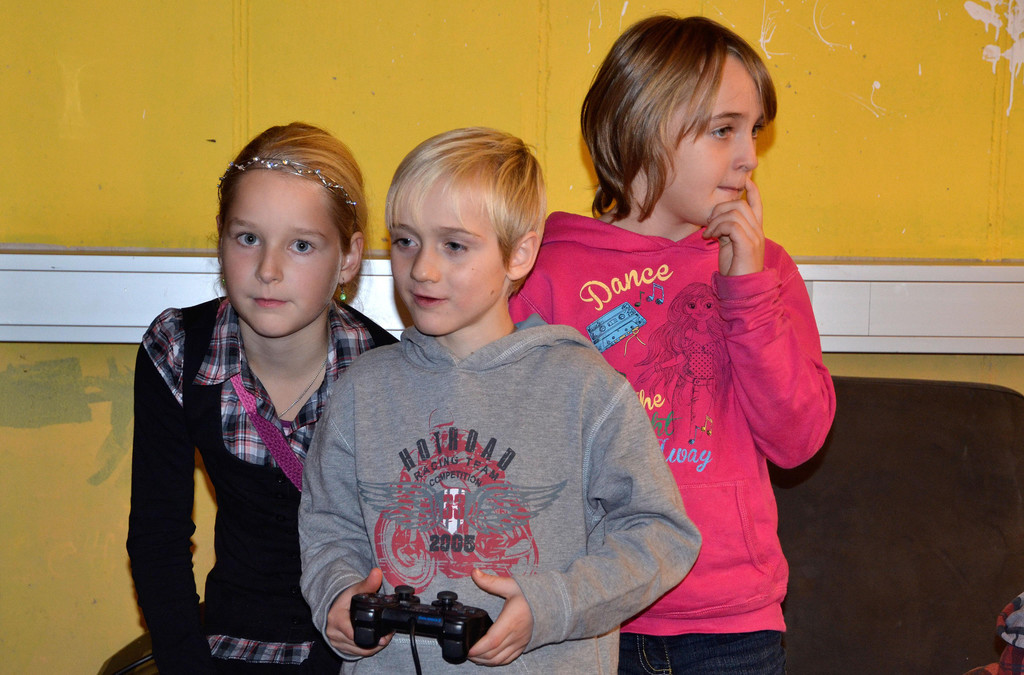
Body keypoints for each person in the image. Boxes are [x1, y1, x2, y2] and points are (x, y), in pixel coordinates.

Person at [298, 127, 702, 673]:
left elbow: (661, 535)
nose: (422, 268)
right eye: (405, 240)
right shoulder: (359, 390)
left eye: (454, 245)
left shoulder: (587, 389)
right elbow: (328, 525)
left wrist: (551, 606)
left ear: (520, 254)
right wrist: (337, 595)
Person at [508, 15, 837, 674]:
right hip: (588, 617)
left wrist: (747, 292)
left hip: (730, 627)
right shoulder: (547, 272)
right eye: (723, 130)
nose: (749, 156)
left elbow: (798, 438)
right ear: (642, 127)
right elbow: (512, 448)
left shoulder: (767, 271)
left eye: (754, 130)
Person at [127, 122, 397, 673]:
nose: (268, 271)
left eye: (301, 245)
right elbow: (158, 538)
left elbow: (406, 548)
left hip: (350, 652)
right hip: (226, 644)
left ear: (348, 258)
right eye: (248, 238)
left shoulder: (386, 372)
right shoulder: (178, 350)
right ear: (221, 239)